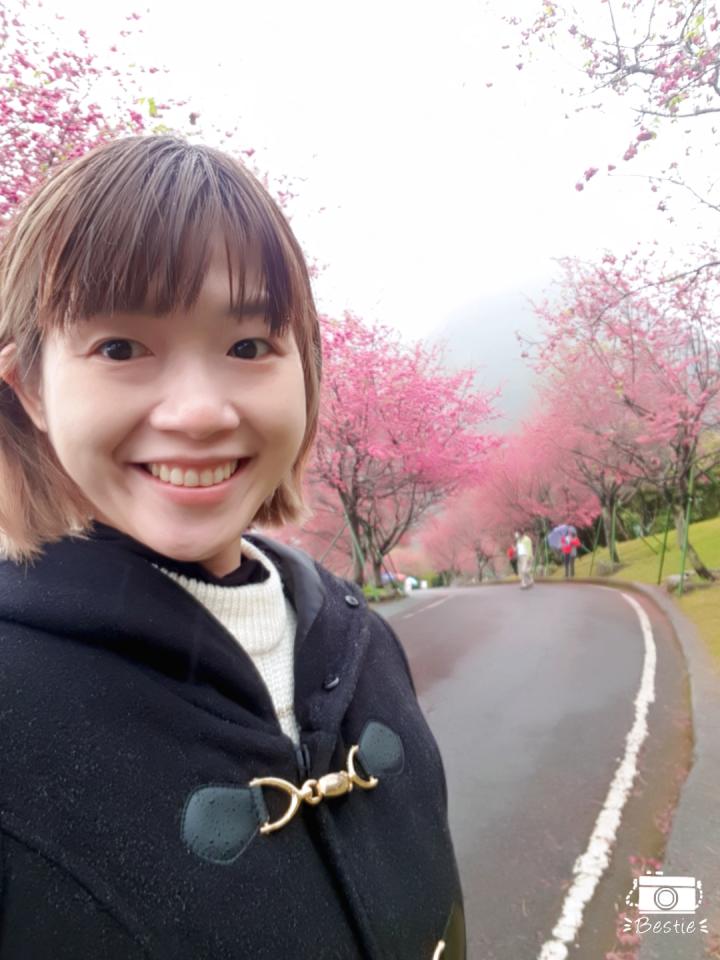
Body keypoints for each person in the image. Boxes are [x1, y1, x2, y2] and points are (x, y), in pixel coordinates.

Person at [0, 137, 465, 960]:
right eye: (120, 348)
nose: (200, 413)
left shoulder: (359, 638)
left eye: (249, 347)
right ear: (30, 390)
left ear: (304, 370)